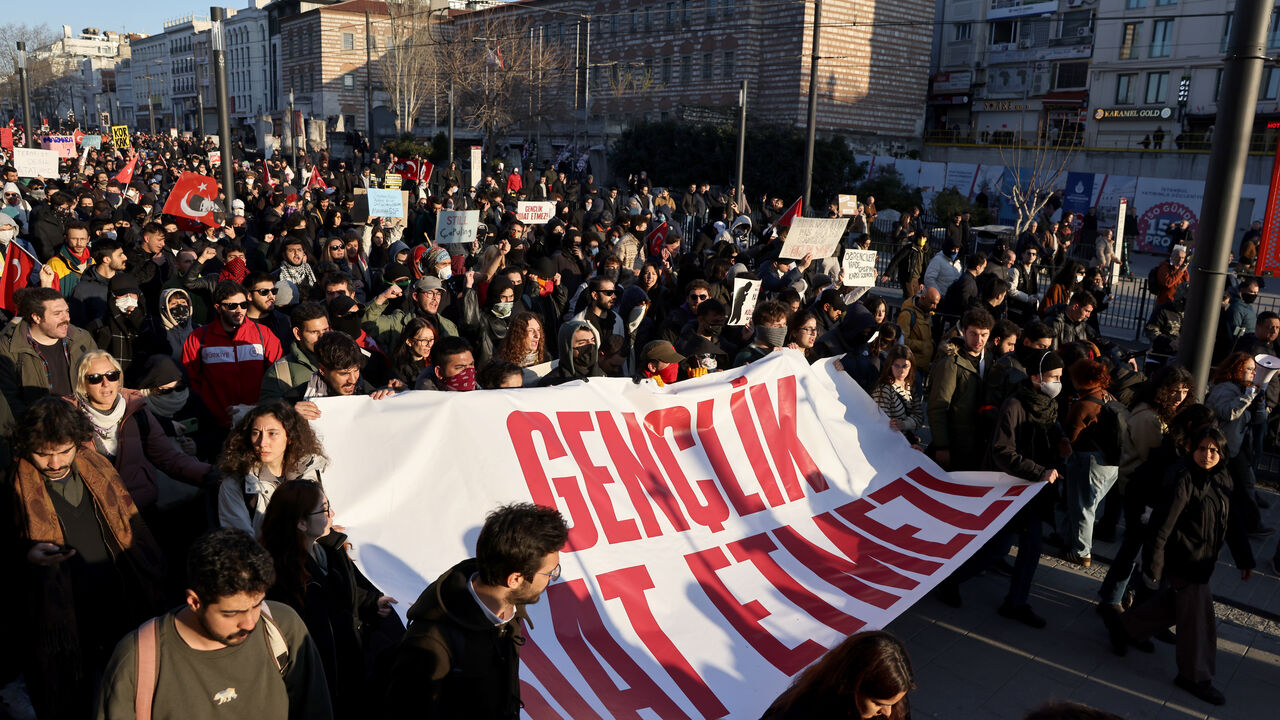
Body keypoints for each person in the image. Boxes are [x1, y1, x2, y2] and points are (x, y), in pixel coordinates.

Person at [2, 397, 164, 720]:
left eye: (64, 450)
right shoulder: (11, 486)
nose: (55, 462)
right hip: (63, 619)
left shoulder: (98, 467)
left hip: (118, 601)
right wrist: (26, 554)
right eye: (43, 454)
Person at [95, 528, 335, 720]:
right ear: (195, 602)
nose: (250, 622)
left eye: (257, 604)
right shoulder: (138, 659)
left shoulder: (282, 627)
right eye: (232, 613)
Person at [1110, 426, 1254, 706]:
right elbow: (1163, 525)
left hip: (1203, 560)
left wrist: (1245, 558)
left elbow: (1232, 521)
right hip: (1184, 560)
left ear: (1222, 453)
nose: (1207, 455)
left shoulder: (1222, 477)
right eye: (1202, 448)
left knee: (1173, 607)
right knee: (1199, 621)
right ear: (1192, 450)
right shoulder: (1183, 478)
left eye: (1214, 450)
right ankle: (1194, 677)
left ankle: (1124, 627)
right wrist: (1154, 565)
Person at [386, 502, 569, 717]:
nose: (553, 578)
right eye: (549, 573)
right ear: (515, 579)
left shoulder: (509, 611)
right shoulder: (429, 644)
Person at [937, 350, 1065, 627]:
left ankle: (1016, 602)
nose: (1058, 383)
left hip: (1032, 491)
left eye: (1060, 378)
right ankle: (949, 580)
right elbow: (1002, 452)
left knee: (1030, 549)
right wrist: (1038, 471)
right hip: (1011, 490)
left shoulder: (1047, 404)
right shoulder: (1015, 405)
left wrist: (1061, 442)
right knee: (995, 550)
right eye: (1054, 377)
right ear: (1036, 378)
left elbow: (1048, 432)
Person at [260, 482, 400, 717]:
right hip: (322, 683)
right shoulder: (278, 577)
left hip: (351, 672)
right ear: (301, 523)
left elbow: (345, 596)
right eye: (324, 510)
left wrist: (370, 602)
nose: (331, 515)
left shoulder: (330, 551)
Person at [71, 350, 213, 514]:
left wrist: (213, 474)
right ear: (82, 384)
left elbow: (168, 458)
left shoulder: (136, 410)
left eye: (112, 375)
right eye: (95, 378)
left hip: (140, 509)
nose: (106, 383)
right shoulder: (70, 419)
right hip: (98, 513)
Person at [182, 281, 284, 429]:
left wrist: (263, 408)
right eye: (232, 306)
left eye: (243, 305)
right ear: (218, 308)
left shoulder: (264, 334)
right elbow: (191, 379)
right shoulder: (198, 338)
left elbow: (277, 376)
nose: (239, 310)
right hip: (215, 424)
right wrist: (207, 410)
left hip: (256, 420)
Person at [217, 401, 328, 535]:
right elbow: (242, 545)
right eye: (256, 433)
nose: (262, 443)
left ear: (290, 437)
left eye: (272, 433)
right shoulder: (235, 484)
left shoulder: (310, 468)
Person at [759, 631, 914, 720]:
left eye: (894, 703)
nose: (888, 713)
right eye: (878, 704)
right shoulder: (795, 714)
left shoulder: (891, 694)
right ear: (851, 686)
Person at [1058, 359, 1121, 567]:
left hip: (1089, 461)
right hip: (1110, 464)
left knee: (1083, 506)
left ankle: (1081, 552)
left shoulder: (1083, 405)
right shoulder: (1108, 397)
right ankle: (1069, 539)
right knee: (1089, 505)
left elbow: (1070, 436)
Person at [0, 287, 99, 418]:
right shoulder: (8, 348)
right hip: (37, 432)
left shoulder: (82, 339)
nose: (66, 318)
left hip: (82, 427)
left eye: (67, 311)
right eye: (57, 314)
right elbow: (8, 403)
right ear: (36, 317)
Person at [928, 307, 994, 471]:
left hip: (980, 442)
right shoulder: (951, 362)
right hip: (955, 442)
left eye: (984, 335)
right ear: (964, 332)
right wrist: (941, 446)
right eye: (973, 333)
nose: (979, 340)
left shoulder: (990, 358)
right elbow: (937, 407)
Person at [870, 345, 924, 447]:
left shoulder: (910, 385)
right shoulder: (884, 389)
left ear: (911, 366)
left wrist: (904, 424)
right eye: (896, 366)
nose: (901, 371)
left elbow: (919, 417)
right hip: (892, 446)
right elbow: (882, 426)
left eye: (905, 366)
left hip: (906, 442)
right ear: (889, 365)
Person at [896, 286, 939, 367]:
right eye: (932, 303)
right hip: (912, 365)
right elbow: (902, 341)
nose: (935, 307)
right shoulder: (907, 315)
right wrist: (924, 345)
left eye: (937, 304)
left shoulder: (926, 313)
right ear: (923, 298)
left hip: (923, 365)